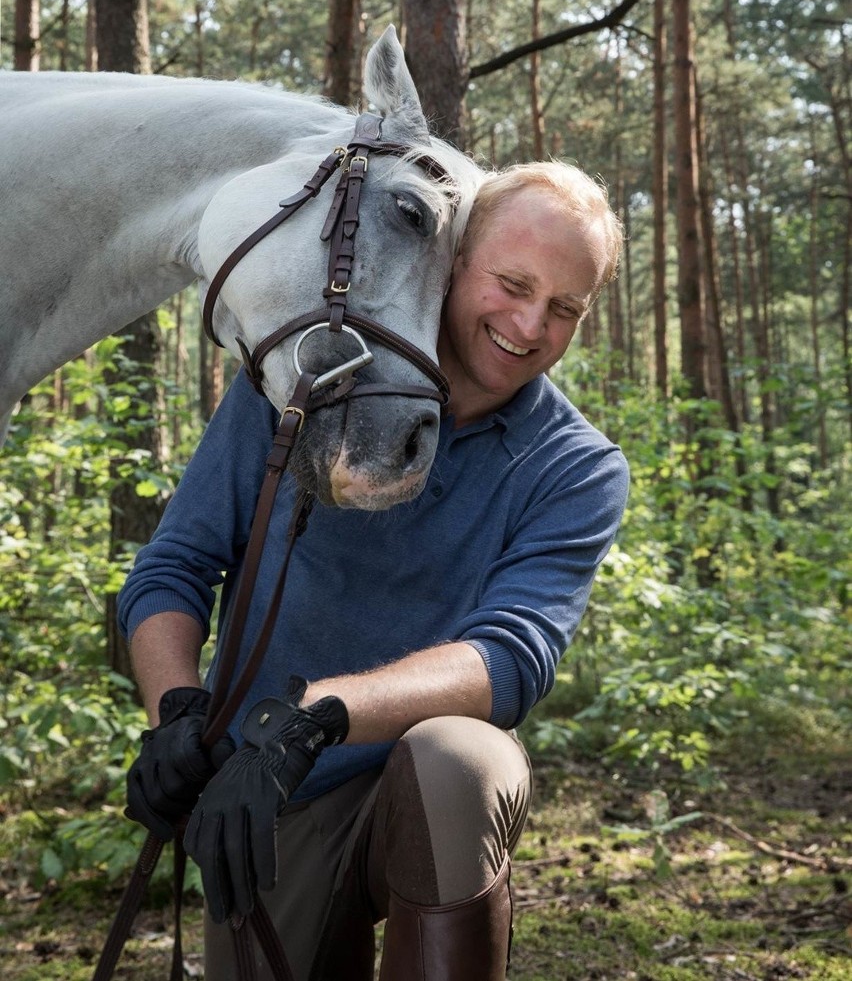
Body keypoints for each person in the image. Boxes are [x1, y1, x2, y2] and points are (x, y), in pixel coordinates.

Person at [118, 159, 630, 981]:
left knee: (463, 759)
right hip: (267, 792)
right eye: (512, 283)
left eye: (563, 308)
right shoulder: (299, 381)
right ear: (454, 260)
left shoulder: (576, 468)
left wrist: (317, 714)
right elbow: (174, 566)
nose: (530, 325)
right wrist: (176, 710)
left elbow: (509, 658)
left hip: (413, 790)